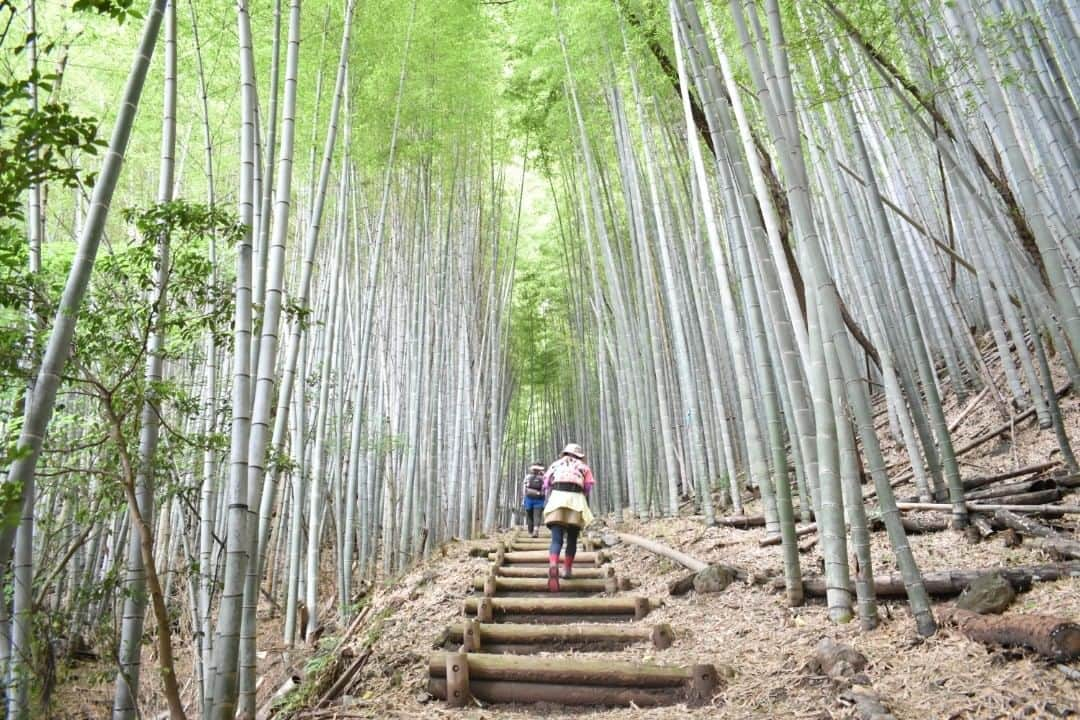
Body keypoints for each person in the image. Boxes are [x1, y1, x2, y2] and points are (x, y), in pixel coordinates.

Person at [542, 443, 594, 592]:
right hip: (575, 500)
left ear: (565, 453)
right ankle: (567, 569)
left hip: (557, 499)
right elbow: (588, 486)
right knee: (572, 537)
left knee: (556, 539)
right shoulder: (583, 467)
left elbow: (546, 483)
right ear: (579, 455)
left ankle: (553, 565)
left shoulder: (556, 464)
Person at [522, 463, 546, 537]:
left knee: (529, 515)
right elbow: (546, 489)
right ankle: (535, 530)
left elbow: (524, 488)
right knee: (537, 515)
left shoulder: (528, 477)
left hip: (529, 498)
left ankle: (530, 532)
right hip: (540, 499)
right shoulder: (544, 477)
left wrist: (523, 499)